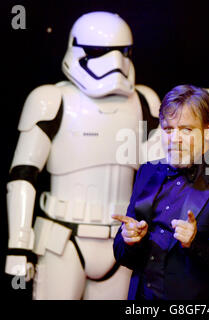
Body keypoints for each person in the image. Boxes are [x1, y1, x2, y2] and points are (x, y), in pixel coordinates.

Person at [5, 11, 160, 299]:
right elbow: (23, 175)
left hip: (121, 239)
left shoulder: (143, 101)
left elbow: (161, 175)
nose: (114, 63)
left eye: (122, 52)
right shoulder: (51, 99)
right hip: (63, 240)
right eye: (100, 52)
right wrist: (18, 244)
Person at [113, 84, 209, 300]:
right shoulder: (147, 172)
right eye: (168, 129)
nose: (174, 139)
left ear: (208, 129)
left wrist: (197, 243)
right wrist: (129, 240)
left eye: (186, 129)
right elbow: (123, 255)